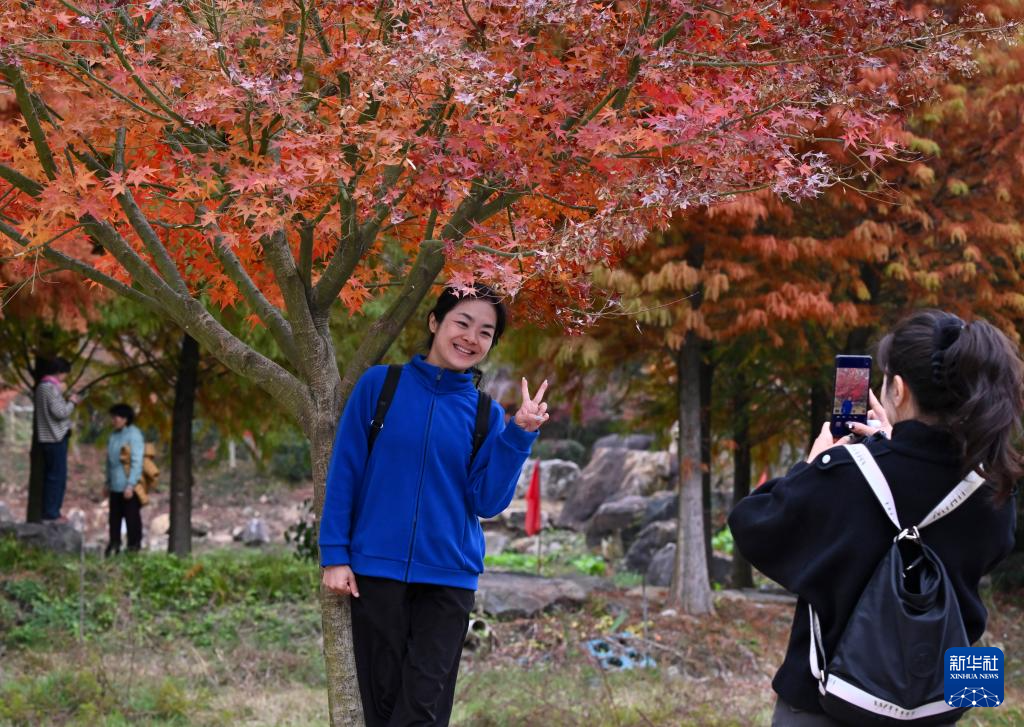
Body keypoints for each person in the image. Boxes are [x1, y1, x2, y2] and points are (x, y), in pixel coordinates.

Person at [729, 309, 1020, 726]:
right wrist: (893, 445)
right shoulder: (993, 488)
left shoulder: (842, 475)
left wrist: (812, 465)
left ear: (897, 390)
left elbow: (752, 526)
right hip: (938, 704)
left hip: (826, 704)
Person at [320, 284, 549, 726]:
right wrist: (335, 555)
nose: (471, 338)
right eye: (462, 323)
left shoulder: (486, 414)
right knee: (382, 708)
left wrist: (518, 434)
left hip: (448, 580)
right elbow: (345, 472)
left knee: (422, 710)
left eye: (485, 332)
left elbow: (488, 501)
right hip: (376, 573)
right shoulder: (380, 387)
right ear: (434, 322)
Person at [35, 356, 79, 522]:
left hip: (48, 437)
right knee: (56, 477)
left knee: (52, 476)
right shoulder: (50, 388)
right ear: (60, 372)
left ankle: (51, 511)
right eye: (65, 374)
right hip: (55, 437)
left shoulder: (43, 387)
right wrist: (72, 402)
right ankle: (52, 512)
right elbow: (60, 412)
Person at [106, 403, 145, 555]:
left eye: (116, 417)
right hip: (114, 485)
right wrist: (107, 482)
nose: (113, 420)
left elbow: (137, 461)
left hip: (129, 485)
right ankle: (114, 546)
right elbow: (109, 461)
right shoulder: (113, 435)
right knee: (114, 519)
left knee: (132, 518)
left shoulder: (134, 435)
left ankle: (133, 549)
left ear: (125, 419)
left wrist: (131, 484)